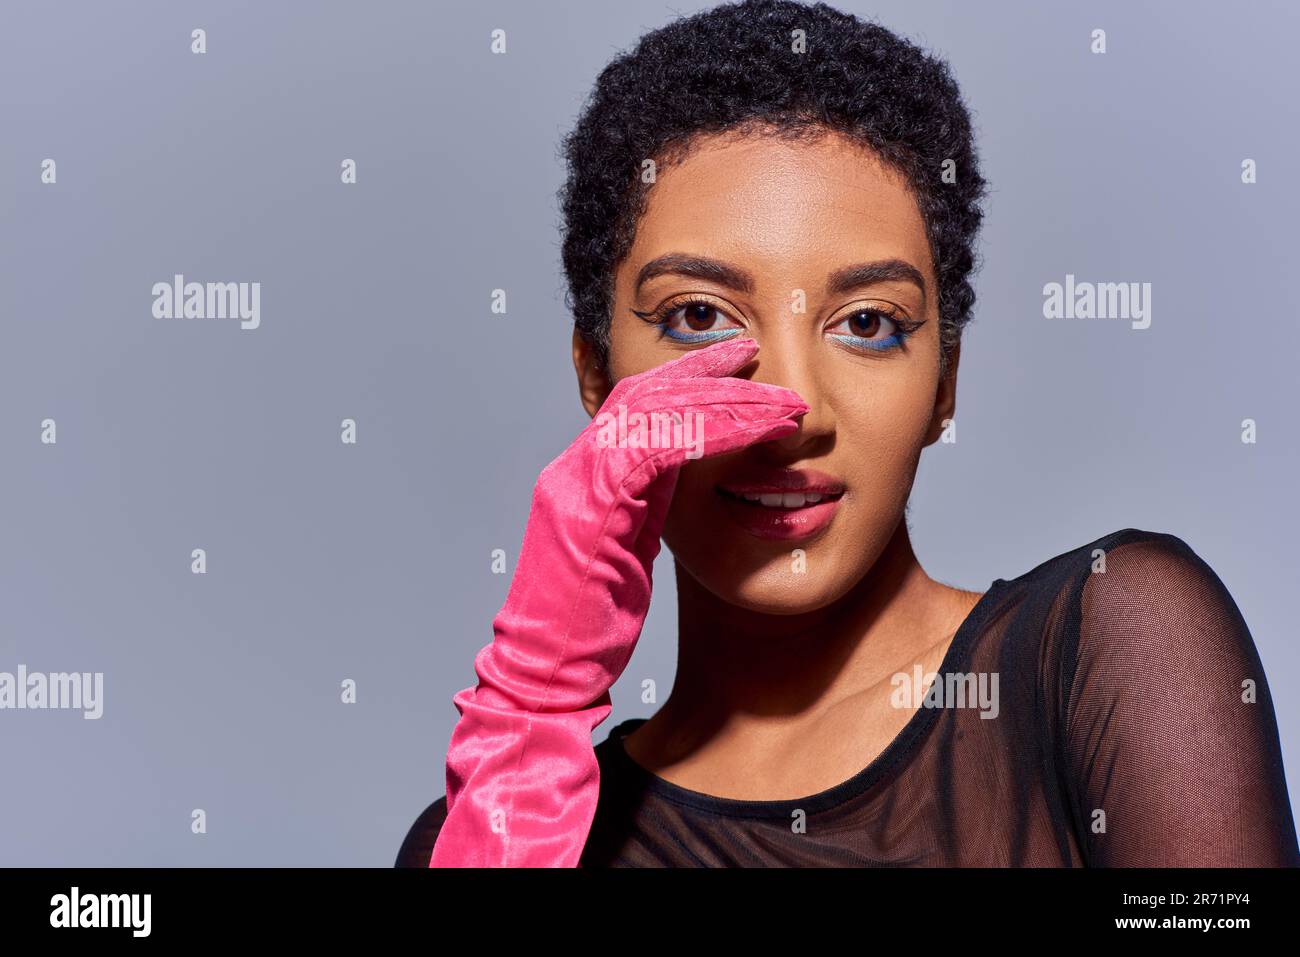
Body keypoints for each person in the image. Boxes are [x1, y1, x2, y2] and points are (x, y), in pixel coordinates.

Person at [397, 0, 1300, 867]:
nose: (797, 413)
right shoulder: (488, 825)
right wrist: (533, 700)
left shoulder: (1112, 645)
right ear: (598, 375)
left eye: (869, 323)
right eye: (702, 316)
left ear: (943, 382)